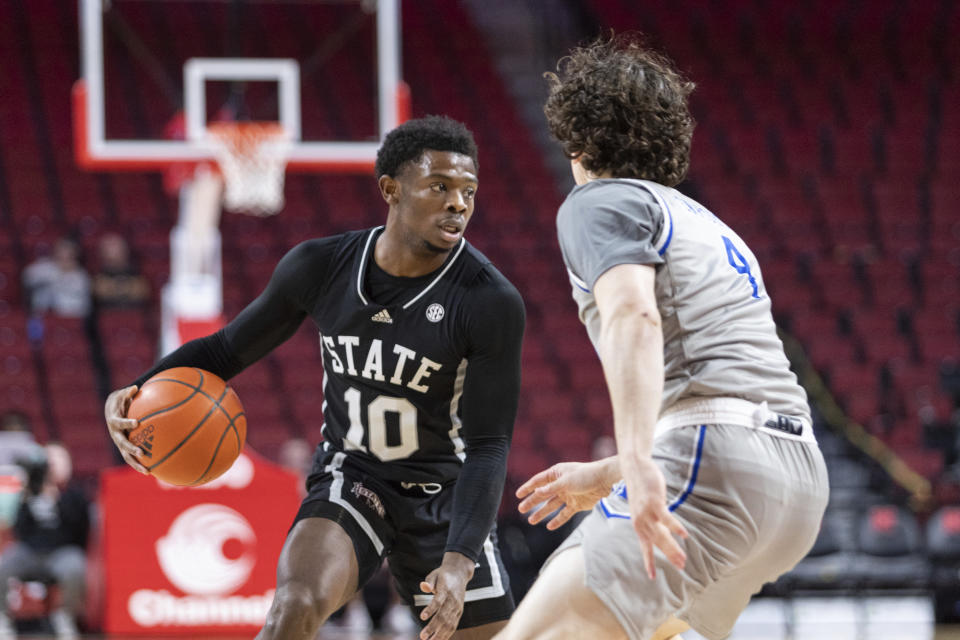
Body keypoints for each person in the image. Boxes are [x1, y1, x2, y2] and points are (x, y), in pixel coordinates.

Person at [104, 115, 525, 640]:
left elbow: (488, 446)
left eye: (468, 190)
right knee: (294, 606)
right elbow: (224, 350)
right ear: (391, 190)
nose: (458, 203)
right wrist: (132, 394)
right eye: (439, 186)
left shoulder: (490, 300)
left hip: (445, 492)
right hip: (355, 477)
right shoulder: (322, 266)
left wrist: (461, 560)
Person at [495, 36, 829, 640]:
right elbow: (732, 383)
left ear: (575, 136)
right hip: (797, 482)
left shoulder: (599, 201)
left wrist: (643, 465)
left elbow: (635, 318)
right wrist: (612, 472)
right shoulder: (707, 223)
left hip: (714, 464)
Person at [0, 443, 91, 640]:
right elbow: (19, 530)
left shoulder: (74, 493)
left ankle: (65, 616)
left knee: (75, 567)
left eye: (58, 460)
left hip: (62, 551)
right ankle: (2, 618)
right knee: (3, 565)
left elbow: (80, 528)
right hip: (31, 551)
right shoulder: (31, 492)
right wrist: (26, 499)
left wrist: (57, 499)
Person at [21, 237, 91, 318]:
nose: (64, 255)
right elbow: (27, 278)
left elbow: (85, 305)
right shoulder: (43, 267)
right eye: (61, 250)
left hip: (71, 317)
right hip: (42, 315)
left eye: (68, 251)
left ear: (75, 254)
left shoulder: (81, 276)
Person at [92, 232, 150, 310]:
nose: (113, 252)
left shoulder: (137, 274)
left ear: (125, 250)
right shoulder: (98, 277)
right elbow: (99, 293)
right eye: (109, 247)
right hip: (106, 317)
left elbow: (142, 292)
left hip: (133, 316)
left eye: (116, 246)